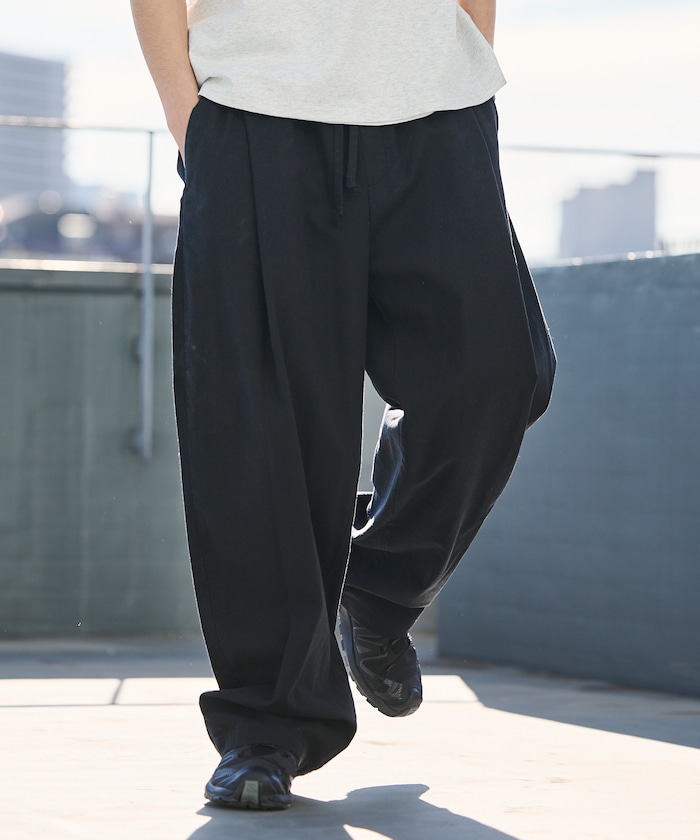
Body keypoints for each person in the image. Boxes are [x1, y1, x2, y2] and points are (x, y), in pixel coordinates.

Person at [130, 0, 556, 812]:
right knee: (260, 426)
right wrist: (192, 122)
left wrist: (457, 60)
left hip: (438, 110)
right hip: (255, 110)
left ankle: (382, 583)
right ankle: (267, 724)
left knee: (497, 373)